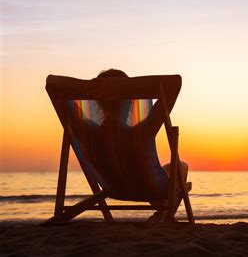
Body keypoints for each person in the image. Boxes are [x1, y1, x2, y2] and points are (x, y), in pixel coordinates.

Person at [47, 69, 188, 222]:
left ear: (98, 103)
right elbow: (175, 82)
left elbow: (52, 84)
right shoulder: (143, 131)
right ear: (130, 102)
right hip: (152, 189)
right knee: (181, 166)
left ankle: (162, 212)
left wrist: (93, 87)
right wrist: (123, 87)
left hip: (114, 189)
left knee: (158, 171)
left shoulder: (86, 132)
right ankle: (164, 214)